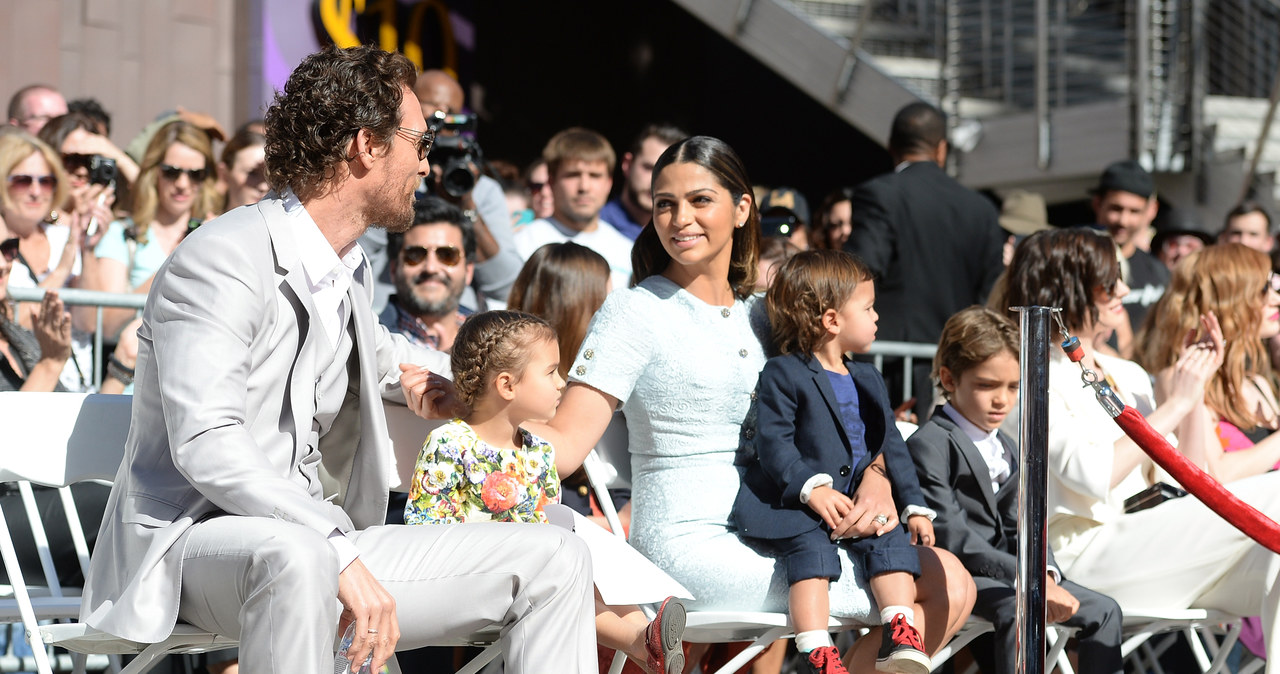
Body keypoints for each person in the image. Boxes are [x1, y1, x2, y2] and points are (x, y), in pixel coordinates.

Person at [78, 44, 596, 674]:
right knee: (295, 554)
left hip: (320, 541)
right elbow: (208, 440)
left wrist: (467, 386)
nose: (427, 166)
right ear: (366, 146)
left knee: (555, 554)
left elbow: (393, 355)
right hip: (193, 544)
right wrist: (330, 543)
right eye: (417, 141)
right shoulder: (221, 257)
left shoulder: (345, 275)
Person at [404, 135, 975, 671]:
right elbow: (566, 445)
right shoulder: (636, 312)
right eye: (665, 204)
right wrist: (472, 407)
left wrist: (876, 477)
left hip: (791, 526)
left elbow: (851, 413)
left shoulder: (769, 314)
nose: (680, 220)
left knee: (951, 580)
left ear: (743, 209)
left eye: (700, 200)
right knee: (940, 577)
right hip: (688, 545)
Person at [990, 227, 1280, 664]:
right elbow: (1094, 476)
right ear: (1069, 287)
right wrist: (1177, 403)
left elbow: (1184, 480)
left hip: (1153, 541)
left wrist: (1195, 389)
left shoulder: (1126, 373)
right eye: (1110, 282)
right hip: (1080, 560)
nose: (1124, 289)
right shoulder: (1028, 376)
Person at [404, 309, 685, 674]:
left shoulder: (539, 452)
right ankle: (640, 643)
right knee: (562, 580)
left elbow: (544, 523)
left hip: (532, 581)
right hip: (468, 581)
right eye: (551, 371)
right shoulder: (450, 443)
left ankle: (646, 638)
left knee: (580, 568)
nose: (562, 383)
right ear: (507, 385)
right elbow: (423, 532)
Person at [732, 249, 934, 674]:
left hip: (855, 502)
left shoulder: (868, 377)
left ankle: (900, 628)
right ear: (831, 320)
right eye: (868, 307)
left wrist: (914, 504)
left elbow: (890, 444)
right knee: (811, 554)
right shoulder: (784, 373)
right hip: (798, 505)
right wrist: (811, 486)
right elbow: (774, 442)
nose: (877, 316)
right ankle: (815, 650)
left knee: (890, 539)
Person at [907, 306, 1123, 674]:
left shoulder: (1007, 445)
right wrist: (1029, 580)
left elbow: (1025, 524)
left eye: (1012, 387)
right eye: (986, 385)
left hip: (1016, 576)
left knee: (1106, 611)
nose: (1002, 400)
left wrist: (1048, 574)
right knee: (1018, 610)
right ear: (948, 378)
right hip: (959, 577)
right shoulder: (930, 442)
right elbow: (952, 535)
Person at [845, 102, 1005, 422]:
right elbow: (991, 292)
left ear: (891, 147)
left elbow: (858, 272)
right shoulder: (980, 209)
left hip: (888, 367)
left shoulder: (878, 194)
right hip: (958, 370)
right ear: (941, 149)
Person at [507, 242, 632, 532]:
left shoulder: (617, 372)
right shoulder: (516, 384)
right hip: (577, 520)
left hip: (610, 511)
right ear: (581, 305)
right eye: (607, 299)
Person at [1140, 243, 1280, 482]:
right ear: (1230, 299)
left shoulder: (1257, 383)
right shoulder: (1182, 378)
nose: (1276, 299)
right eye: (1262, 289)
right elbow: (1214, 475)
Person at [85, 120, 219, 342]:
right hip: (135, 371)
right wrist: (175, 262)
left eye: (195, 174)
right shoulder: (122, 233)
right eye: (171, 172)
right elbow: (108, 325)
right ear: (153, 172)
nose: (183, 184)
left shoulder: (216, 232)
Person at [513, 127, 634, 291]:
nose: (584, 187)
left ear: (609, 183)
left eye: (594, 175)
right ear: (551, 181)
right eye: (573, 175)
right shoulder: (523, 244)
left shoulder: (628, 253)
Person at [379, 197, 476, 352]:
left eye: (447, 255)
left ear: (469, 270)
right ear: (393, 269)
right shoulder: (368, 343)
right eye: (415, 255)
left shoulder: (498, 339)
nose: (431, 268)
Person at [1090, 159, 1168, 333]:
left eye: (1134, 211)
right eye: (1116, 209)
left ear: (1151, 210)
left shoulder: (1159, 273)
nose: (1123, 221)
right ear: (1097, 204)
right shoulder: (1075, 264)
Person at [600, 123, 687, 240]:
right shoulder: (593, 226)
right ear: (628, 164)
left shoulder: (684, 236)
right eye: (648, 168)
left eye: (666, 172)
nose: (655, 181)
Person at [217, 124, 267, 213]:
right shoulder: (206, 226)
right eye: (252, 173)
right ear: (224, 175)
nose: (264, 187)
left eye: (270, 176)